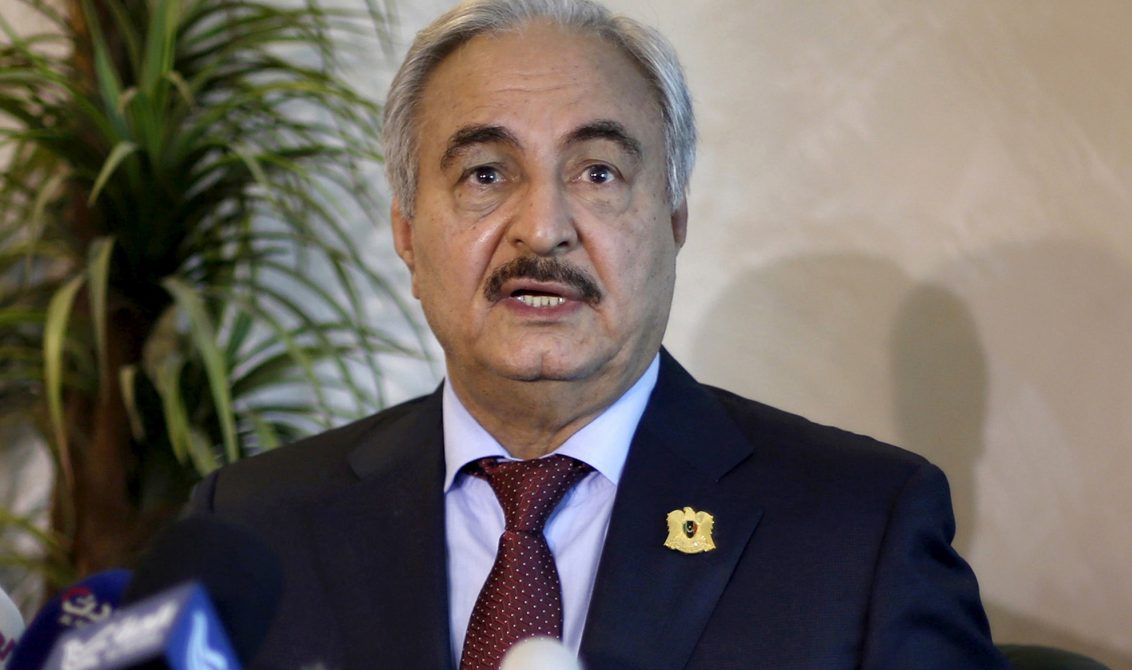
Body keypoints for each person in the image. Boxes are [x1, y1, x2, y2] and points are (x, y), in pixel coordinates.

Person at [187, 1, 1009, 668]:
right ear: (407, 229)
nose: (543, 228)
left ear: (674, 219)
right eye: (485, 173)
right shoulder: (254, 527)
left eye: (599, 173)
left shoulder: (860, 530)